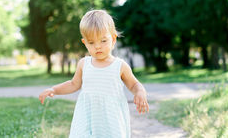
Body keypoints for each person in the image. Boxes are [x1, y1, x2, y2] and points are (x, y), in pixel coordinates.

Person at [39, 9, 149, 138]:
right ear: (85, 43)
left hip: (111, 117)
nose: (97, 46)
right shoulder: (83, 64)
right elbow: (73, 84)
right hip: (87, 115)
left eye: (103, 41)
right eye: (92, 42)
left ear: (113, 39)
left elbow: (134, 84)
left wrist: (140, 92)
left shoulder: (119, 66)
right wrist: (54, 89)